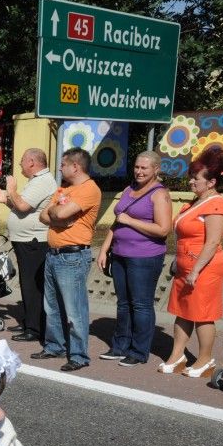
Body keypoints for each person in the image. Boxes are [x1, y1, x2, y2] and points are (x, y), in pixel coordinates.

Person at [158, 148, 223, 378]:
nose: (191, 181)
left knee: (202, 314)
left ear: (211, 182)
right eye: (191, 177)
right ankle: (177, 355)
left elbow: (212, 243)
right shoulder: (194, 203)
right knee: (183, 311)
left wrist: (196, 270)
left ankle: (205, 360)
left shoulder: (216, 204)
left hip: (204, 268)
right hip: (185, 266)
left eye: (195, 178)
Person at [96, 152, 171, 366]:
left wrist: (130, 221)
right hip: (120, 254)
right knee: (123, 303)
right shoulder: (130, 190)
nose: (139, 171)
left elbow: (163, 229)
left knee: (141, 305)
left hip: (145, 257)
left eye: (144, 168)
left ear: (156, 169)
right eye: (137, 167)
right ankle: (119, 346)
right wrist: (104, 248)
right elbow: (117, 222)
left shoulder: (160, 194)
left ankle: (138, 351)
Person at [34, 148, 101, 372]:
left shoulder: (89, 189)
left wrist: (58, 214)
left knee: (75, 310)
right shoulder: (65, 189)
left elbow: (59, 214)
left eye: (63, 164)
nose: (60, 168)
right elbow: (44, 216)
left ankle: (79, 355)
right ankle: (55, 345)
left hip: (72, 256)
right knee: (51, 306)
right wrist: (59, 215)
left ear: (76, 166)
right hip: (54, 254)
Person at [0, 148, 57, 343]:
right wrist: (6, 200)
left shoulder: (43, 181)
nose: (19, 164)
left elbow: (22, 206)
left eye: (22, 161)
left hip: (34, 242)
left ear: (31, 162)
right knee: (27, 283)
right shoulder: (36, 181)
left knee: (32, 285)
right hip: (26, 240)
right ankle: (30, 322)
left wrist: (11, 189)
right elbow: (23, 208)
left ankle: (34, 328)